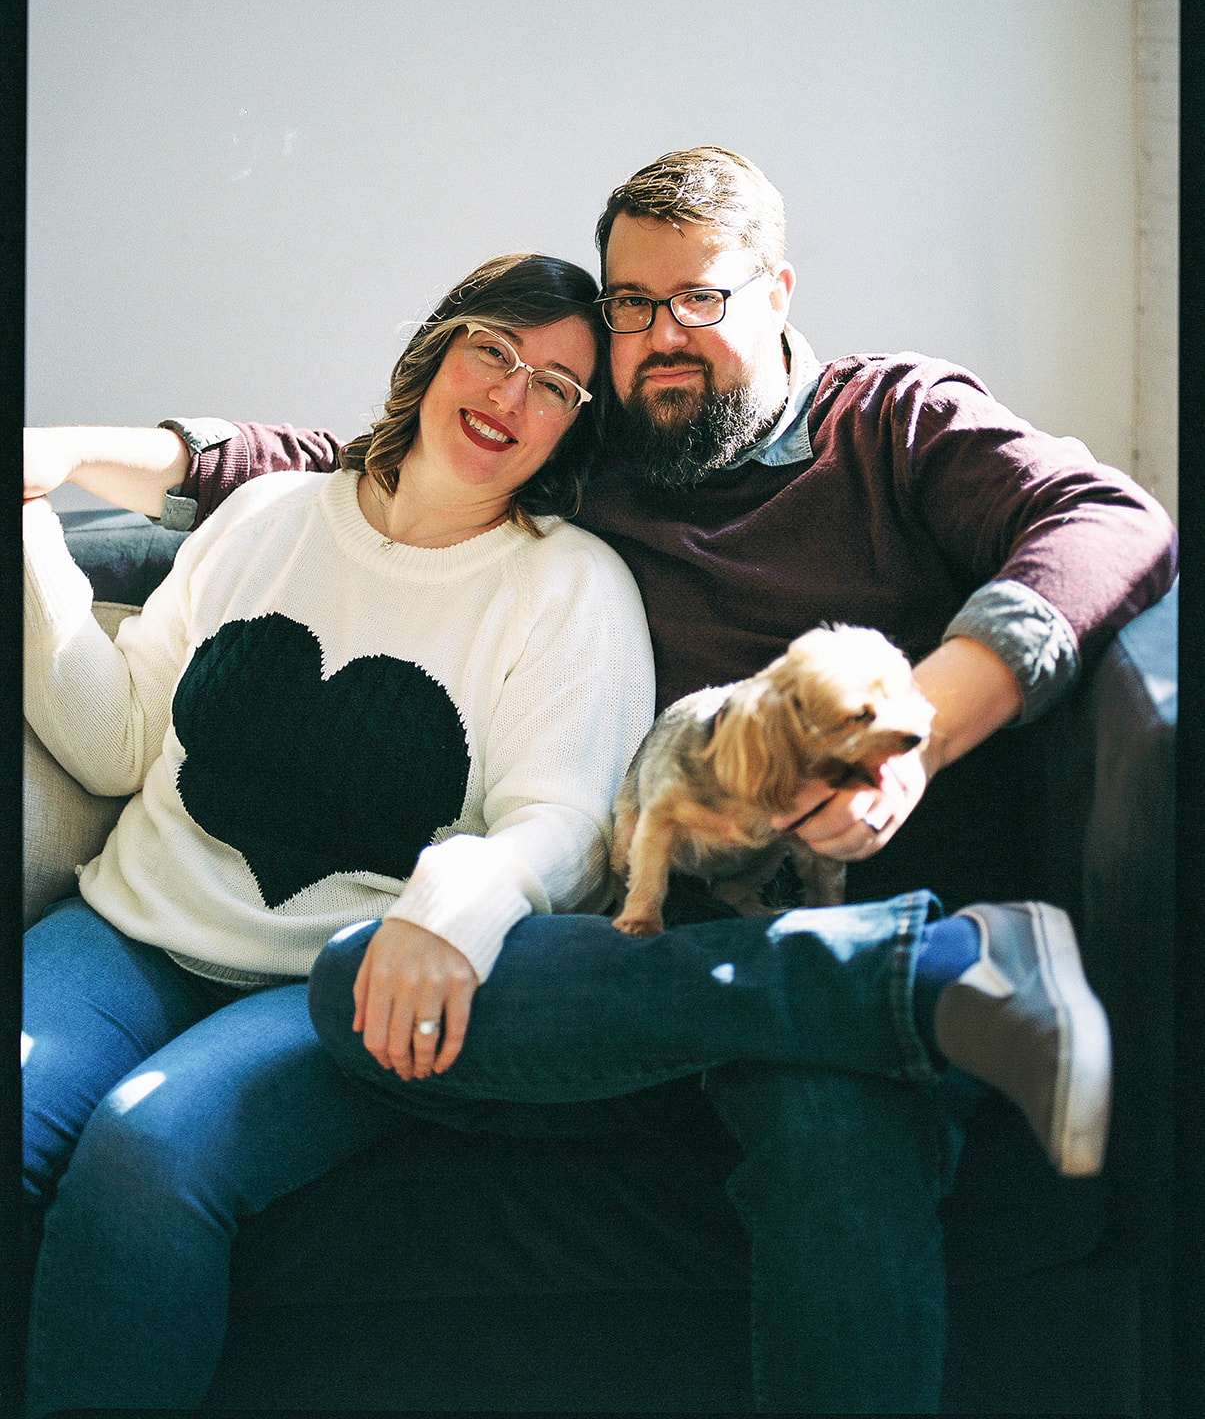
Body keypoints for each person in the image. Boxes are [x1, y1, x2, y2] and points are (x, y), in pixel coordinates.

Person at [24, 148, 1177, 1413]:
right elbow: (351, 467)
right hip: (635, 948)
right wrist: (74, 456)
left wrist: (917, 725)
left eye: (700, 297)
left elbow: (1104, 516)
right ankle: (925, 983)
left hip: (834, 892)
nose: (658, 336)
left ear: (778, 290)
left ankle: (895, 974)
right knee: (366, 967)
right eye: (630, 304)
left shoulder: (890, 420)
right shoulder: (605, 441)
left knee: (830, 1133)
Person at [20, 253, 658, 1416]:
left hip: (334, 998)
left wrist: (452, 908)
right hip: (123, 942)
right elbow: (114, 743)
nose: (512, 395)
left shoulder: (568, 587)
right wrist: (27, 531)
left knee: (144, 1154)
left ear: (576, 429)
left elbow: (562, 825)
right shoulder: (269, 517)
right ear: (437, 348)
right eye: (494, 350)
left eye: (559, 386)